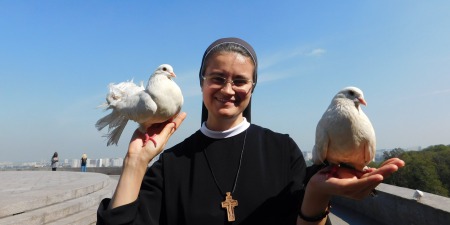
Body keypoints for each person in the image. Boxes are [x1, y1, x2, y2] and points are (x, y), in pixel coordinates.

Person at [96, 37, 405, 225]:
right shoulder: (172, 164)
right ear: (201, 83)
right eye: (217, 78)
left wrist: (316, 195)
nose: (228, 90)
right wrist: (135, 163)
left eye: (240, 81)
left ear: (253, 88)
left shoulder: (283, 152)